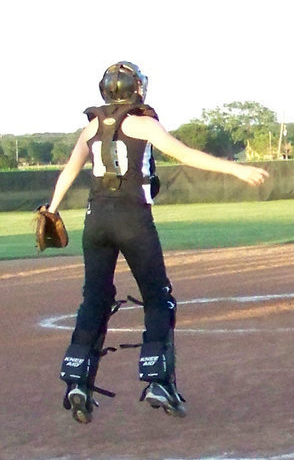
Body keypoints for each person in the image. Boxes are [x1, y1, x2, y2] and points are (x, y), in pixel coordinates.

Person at [50, 62, 268, 424]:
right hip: (132, 219)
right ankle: (158, 381)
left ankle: (78, 381)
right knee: (157, 297)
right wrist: (236, 169)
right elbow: (185, 155)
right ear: (135, 89)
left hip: (95, 220)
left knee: (94, 299)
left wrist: (52, 208)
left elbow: (71, 169)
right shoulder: (143, 123)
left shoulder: (91, 126)